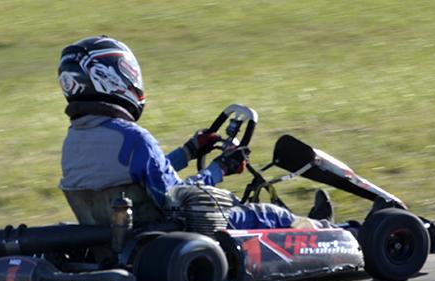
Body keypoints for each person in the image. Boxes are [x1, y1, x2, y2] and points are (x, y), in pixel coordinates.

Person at [57, 35, 333, 229]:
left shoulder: (74, 141)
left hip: (117, 235)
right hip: (171, 230)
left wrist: (188, 151)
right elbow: (176, 199)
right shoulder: (133, 138)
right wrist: (220, 168)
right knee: (270, 215)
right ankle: (329, 232)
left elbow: (141, 176)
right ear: (108, 78)